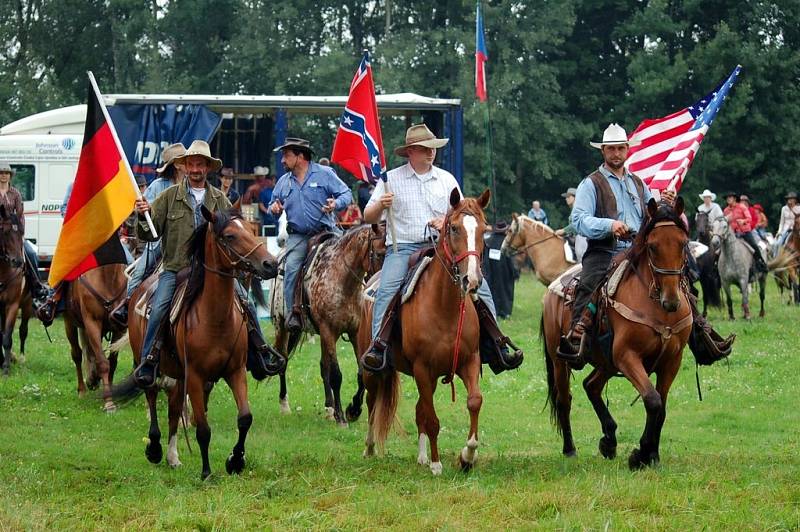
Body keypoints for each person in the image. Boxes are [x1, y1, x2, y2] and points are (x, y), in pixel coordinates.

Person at [360, 123, 523, 374]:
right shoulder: (390, 179)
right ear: (411, 151)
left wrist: (445, 221)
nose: (431, 152)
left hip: (441, 247)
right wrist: (380, 204)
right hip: (402, 248)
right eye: (426, 148)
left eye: (433, 148)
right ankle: (377, 348)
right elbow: (368, 216)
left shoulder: (447, 179)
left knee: (481, 286)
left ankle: (497, 344)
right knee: (387, 289)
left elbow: (461, 216)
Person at [130, 140, 285, 388]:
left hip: (215, 272)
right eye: (190, 164)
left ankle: (261, 350)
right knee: (159, 307)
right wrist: (142, 216)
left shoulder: (220, 200)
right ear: (184, 167)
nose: (195, 169)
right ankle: (149, 360)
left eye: (200, 164)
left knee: (246, 302)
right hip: (176, 268)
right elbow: (150, 235)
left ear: (207, 168)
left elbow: (238, 232)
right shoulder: (168, 197)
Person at [268, 138, 352, 333]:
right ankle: (293, 313)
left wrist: (335, 204)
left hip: (328, 233)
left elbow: (346, 193)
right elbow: (274, 204)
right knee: (291, 269)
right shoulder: (283, 181)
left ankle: (354, 307)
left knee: (349, 262)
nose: (282, 160)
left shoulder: (325, 174)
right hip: (298, 236)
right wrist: (274, 208)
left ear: (300, 156)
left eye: (286, 155)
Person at [110, 143, 186, 327]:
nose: (189, 164)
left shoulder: (192, 184)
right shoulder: (158, 186)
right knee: (140, 270)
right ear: (177, 164)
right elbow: (146, 214)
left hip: (188, 238)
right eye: (185, 161)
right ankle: (127, 304)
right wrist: (145, 209)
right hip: (162, 240)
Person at [0, 162, 51, 313]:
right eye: (1, 173)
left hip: (12, 234)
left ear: (10, 176)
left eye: (6, 173)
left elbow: (20, 215)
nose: (3, 175)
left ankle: (36, 288)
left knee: (30, 253)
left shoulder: (15, 193)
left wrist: (20, 233)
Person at [723, 192, 767, 272]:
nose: (728, 199)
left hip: (744, 232)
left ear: (735, 198)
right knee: (720, 247)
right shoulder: (726, 210)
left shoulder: (742, 207)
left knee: (754, 245)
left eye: (730, 197)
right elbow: (724, 223)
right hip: (732, 234)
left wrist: (743, 221)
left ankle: (760, 262)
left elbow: (749, 218)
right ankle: (717, 266)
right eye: (727, 198)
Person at [482, 221, 519, 319]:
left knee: (493, 291)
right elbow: (510, 259)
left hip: (491, 272)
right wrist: (514, 273)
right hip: (505, 272)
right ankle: (506, 312)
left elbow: (485, 259)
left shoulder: (489, 241)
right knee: (506, 291)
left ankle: (495, 310)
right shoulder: (506, 242)